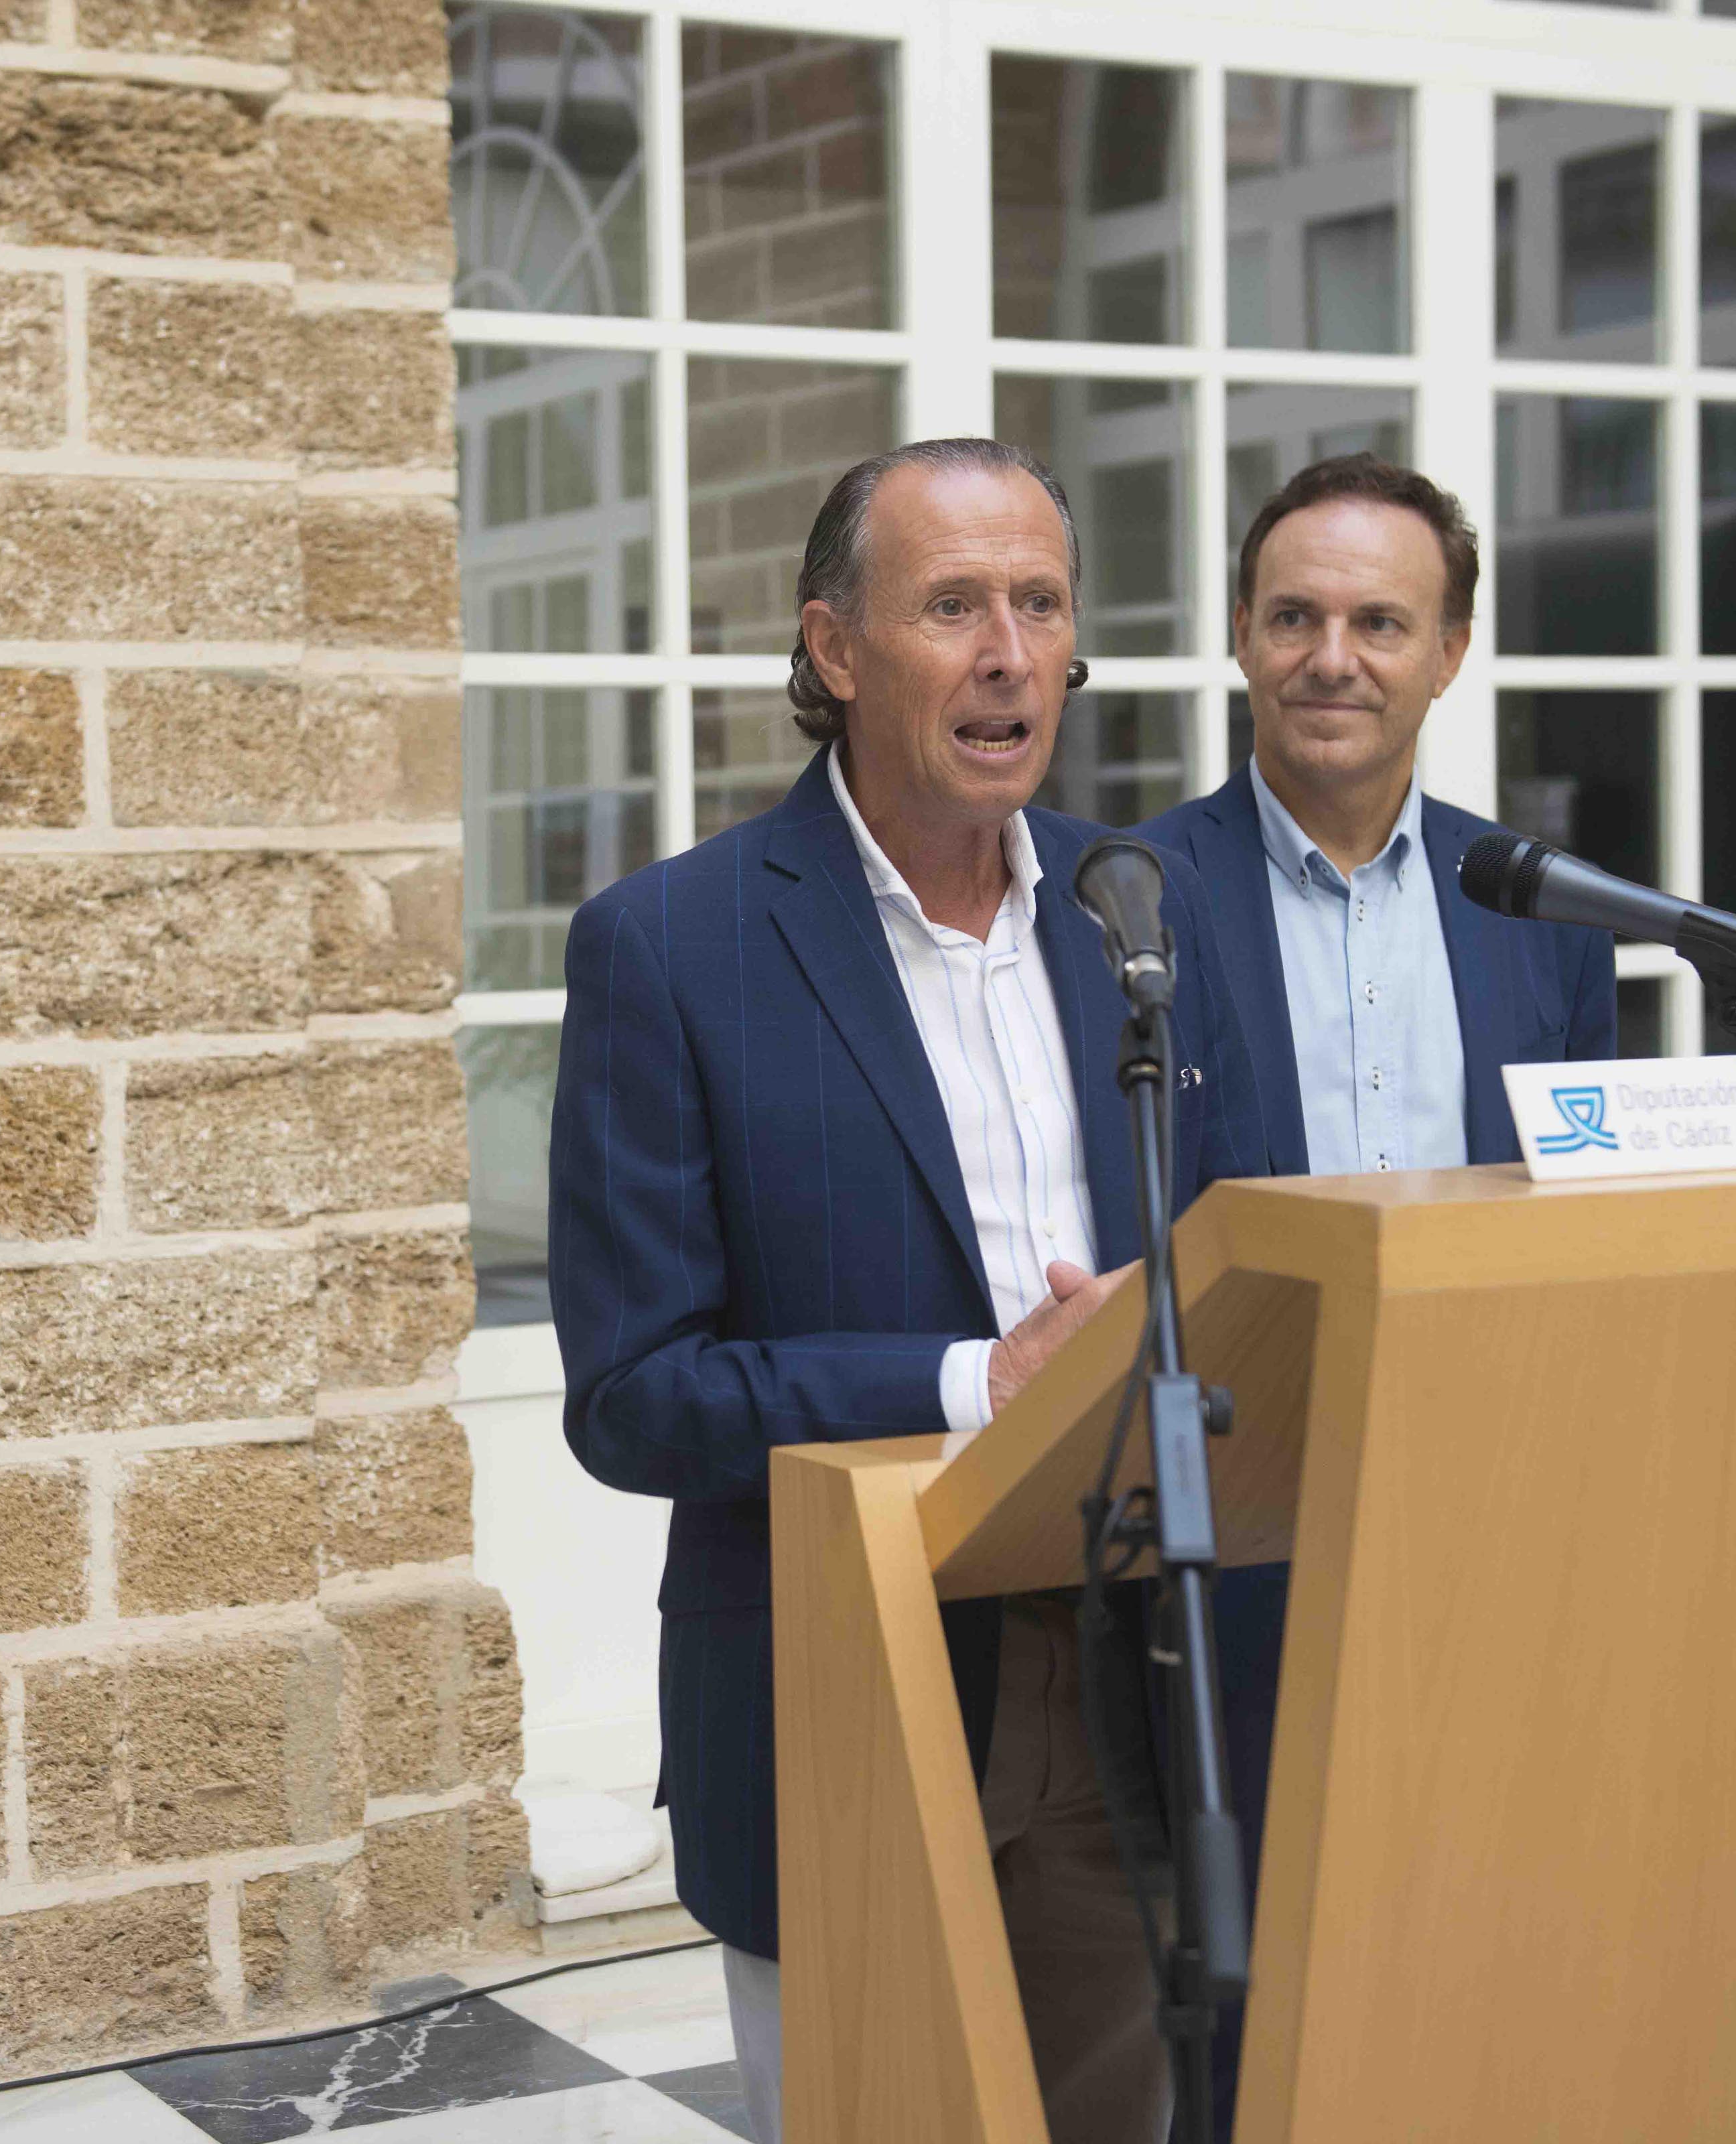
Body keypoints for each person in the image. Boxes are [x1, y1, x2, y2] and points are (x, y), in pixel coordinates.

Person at [549, 438, 1269, 2144]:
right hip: (844, 1678)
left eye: (1039, 603)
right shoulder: (673, 945)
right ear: (834, 648)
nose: (1009, 652)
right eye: (952, 605)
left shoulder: (1145, 907)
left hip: (1128, 1678)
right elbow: (633, 1397)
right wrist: (973, 1383)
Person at [1132, 452, 1615, 2137]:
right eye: (1296, 616)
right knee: (1248, 2010)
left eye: (1380, 621)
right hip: (1240, 1537)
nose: (1334, 656)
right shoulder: (1126, 898)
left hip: (1492, 1519)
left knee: (1479, 1965)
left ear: (1452, 650)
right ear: (1243, 640)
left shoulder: (1540, 911)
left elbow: (1578, 1215)